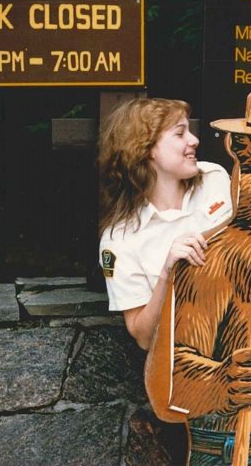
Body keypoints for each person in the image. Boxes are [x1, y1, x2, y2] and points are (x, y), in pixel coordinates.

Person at [97, 97, 232, 351]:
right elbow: (144, 338)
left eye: (189, 131)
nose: (194, 140)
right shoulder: (119, 240)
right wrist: (167, 274)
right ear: (145, 149)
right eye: (180, 133)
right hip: (194, 359)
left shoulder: (216, 179)